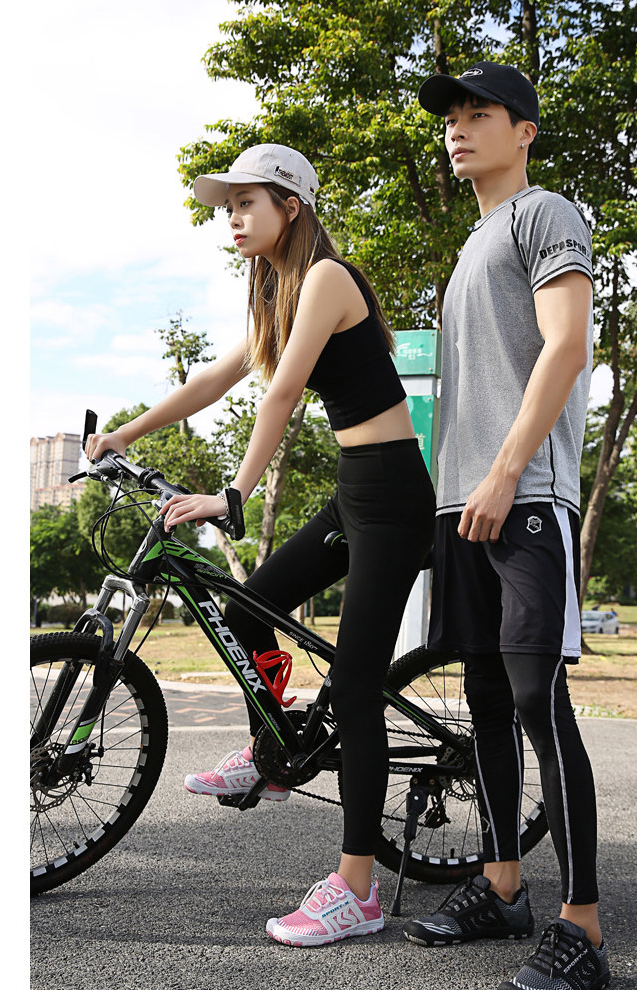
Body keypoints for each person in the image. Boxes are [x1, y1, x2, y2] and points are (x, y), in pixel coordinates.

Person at [85, 144, 435, 948]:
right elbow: (215, 379)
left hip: (394, 498)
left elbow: (280, 393)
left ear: (292, 206)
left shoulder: (327, 278)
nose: (234, 219)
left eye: (248, 203)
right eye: (228, 206)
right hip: (355, 491)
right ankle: (274, 751)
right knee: (250, 608)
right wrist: (126, 432)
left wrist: (233, 494)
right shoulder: (279, 292)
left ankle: (357, 891)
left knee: (355, 690)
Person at [402, 63, 611, 990]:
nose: (458, 128)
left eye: (478, 113)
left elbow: (567, 346)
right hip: (463, 504)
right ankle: (500, 885)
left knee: (535, 696)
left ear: (523, 130)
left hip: (523, 496)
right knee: (484, 695)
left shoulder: (544, 214)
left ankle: (583, 926)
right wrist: (448, 494)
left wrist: (503, 471)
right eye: (451, 116)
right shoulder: (467, 249)